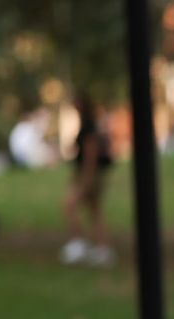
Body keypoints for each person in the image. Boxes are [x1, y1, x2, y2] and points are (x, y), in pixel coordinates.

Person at [60, 94, 114, 267]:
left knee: (69, 205)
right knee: (94, 211)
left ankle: (79, 243)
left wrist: (87, 178)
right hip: (88, 174)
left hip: (88, 175)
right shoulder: (87, 123)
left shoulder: (88, 126)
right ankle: (102, 249)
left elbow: (91, 153)